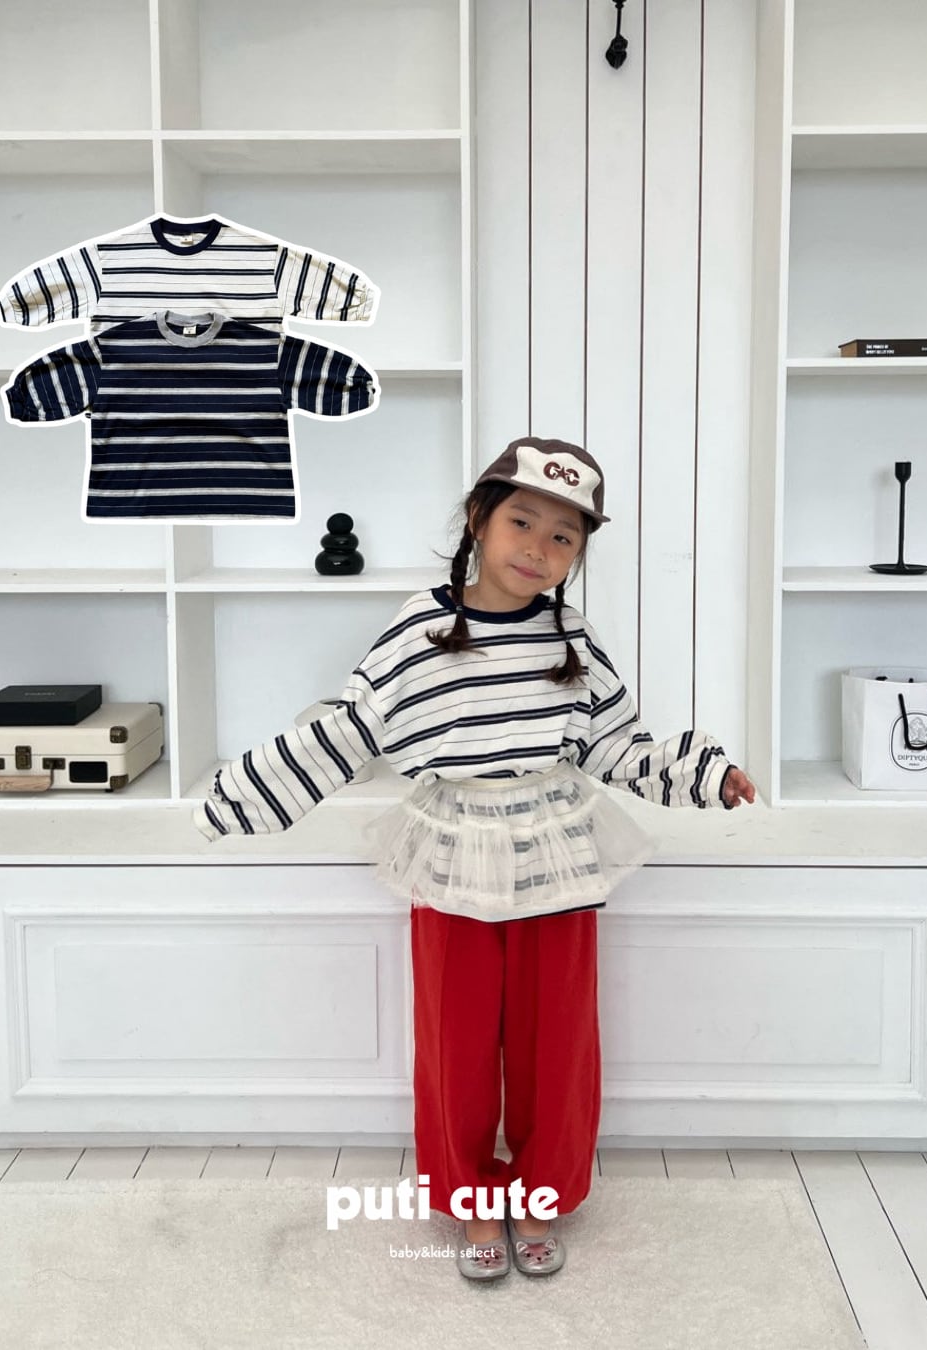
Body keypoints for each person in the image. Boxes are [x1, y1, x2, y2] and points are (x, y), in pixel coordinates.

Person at [192, 435, 756, 1283]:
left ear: (578, 555)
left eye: (563, 537)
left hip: (554, 858)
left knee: (556, 1042)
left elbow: (616, 745)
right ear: (478, 521)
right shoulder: (418, 631)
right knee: (454, 1042)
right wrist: (241, 794)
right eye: (521, 522)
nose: (538, 548)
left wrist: (703, 774)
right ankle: (470, 1199)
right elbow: (348, 730)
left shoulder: (571, 638)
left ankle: (538, 1194)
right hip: (452, 856)